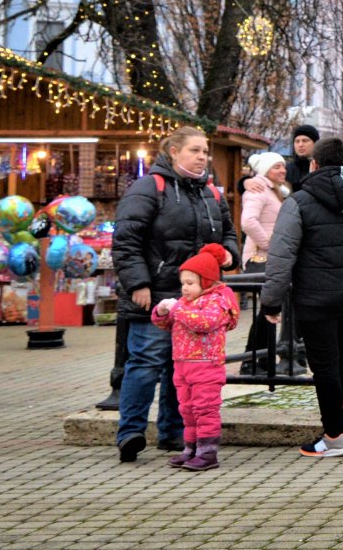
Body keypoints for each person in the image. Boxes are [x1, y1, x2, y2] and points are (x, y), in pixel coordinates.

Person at [111, 127, 238, 463]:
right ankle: (131, 433)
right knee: (145, 362)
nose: (202, 157)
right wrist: (139, 284)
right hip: (156, 295)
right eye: (195, 150)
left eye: (205, 151)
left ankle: (174, 434)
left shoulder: (211, 192)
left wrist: (228, 255)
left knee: (180, 368)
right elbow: (126, 240)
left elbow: (229, 234)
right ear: (173, 152)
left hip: (197, 302)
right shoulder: (149, 187)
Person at [261, 137, 343, 458]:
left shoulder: (300, 201)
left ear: (314, 164)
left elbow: (281, 255)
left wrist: (271, 301)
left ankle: (334, 436)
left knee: (324, 365)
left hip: (313, 296)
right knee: (341, 345)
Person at [153, 243, 237, 471]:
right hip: (182, 364)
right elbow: (167, 324)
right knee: (187, 410)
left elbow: (203, 323)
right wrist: (160, 312)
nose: (184, 289)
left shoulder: (218, 301)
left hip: (206, 364)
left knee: (205, 409)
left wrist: (176, 309)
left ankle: (207, 452)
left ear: (207, 281)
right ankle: (190, 449)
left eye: (190, 283)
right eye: (183, 284)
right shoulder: (185, 303)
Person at [238, 151, 290, 375]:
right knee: (266, 309)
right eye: (277, 166)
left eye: (283, 166)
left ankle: (263, 360)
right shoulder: (258, 189)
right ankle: (251, 360)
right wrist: (269, 243)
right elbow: (248, 222)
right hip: (261, 257)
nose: (282, 170)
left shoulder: (276, 190)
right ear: (266, 169)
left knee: (269, 309)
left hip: (273, 257)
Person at [284, 124, 318, 191]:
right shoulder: (286, 169)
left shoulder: (324, 167)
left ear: (315, 143)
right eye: (297, 141)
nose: (300, 145)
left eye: (305, 141)